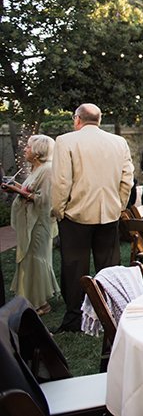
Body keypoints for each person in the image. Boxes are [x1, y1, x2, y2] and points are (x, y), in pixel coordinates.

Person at [51, 103, 134, 332]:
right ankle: (110, 312)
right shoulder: (119, 142)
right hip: (109, 212)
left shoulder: (65, 141)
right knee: (109, 266)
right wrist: (119, 206)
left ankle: (75, 319)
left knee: (75, 267)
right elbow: (127, 179)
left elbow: (60, 181)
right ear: (98, 119)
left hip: (75, 214)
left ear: (77, 119)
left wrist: (59, 210)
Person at [2, 135, 59, 315]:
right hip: (30, 223)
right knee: (28, 260)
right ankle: (28, 299)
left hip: (39, 224)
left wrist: (16, 190)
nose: (25, 150)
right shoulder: (37, 169)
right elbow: (30, 190)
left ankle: (41, 303)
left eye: (28, 147)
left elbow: (45, 200)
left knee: (36, 259)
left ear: (37, 152)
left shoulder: (47, 170)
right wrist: (16, 186)